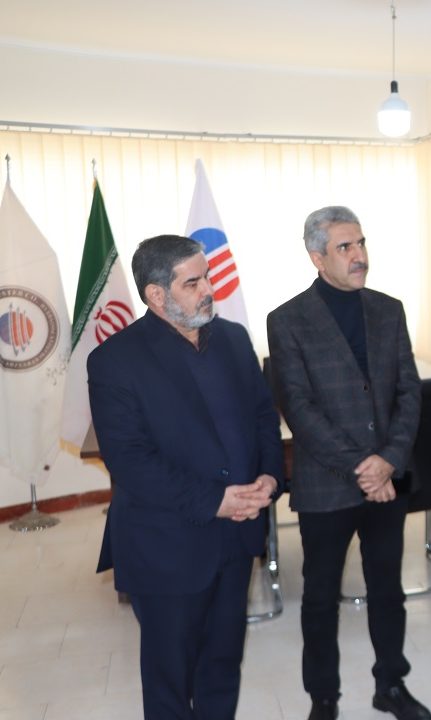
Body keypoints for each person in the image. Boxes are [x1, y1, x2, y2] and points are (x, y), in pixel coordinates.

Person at [88, 234, 284, 719]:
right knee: (170, 678)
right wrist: (215, 500)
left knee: (223, 663)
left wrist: (269, 476)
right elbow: (130, 461)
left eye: (207, 277)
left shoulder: (233, 339)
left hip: (237, 538)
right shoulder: (114, 360)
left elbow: (264, 416)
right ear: (157, 295)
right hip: (166, 545)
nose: (209, 290)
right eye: (193, 283)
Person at [266, 206, 430, 720]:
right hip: (327, 483)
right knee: (319, 599)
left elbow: (409, 392)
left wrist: (389, 460)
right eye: (345, 247)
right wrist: (366, 467)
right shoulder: (287, 320)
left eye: (361, 243)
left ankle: (391, 686)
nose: (359, 256)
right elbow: (299, 409)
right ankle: (324, 698)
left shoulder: (389, 310)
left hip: (387, 480)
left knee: (388, 591)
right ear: (317, 258)